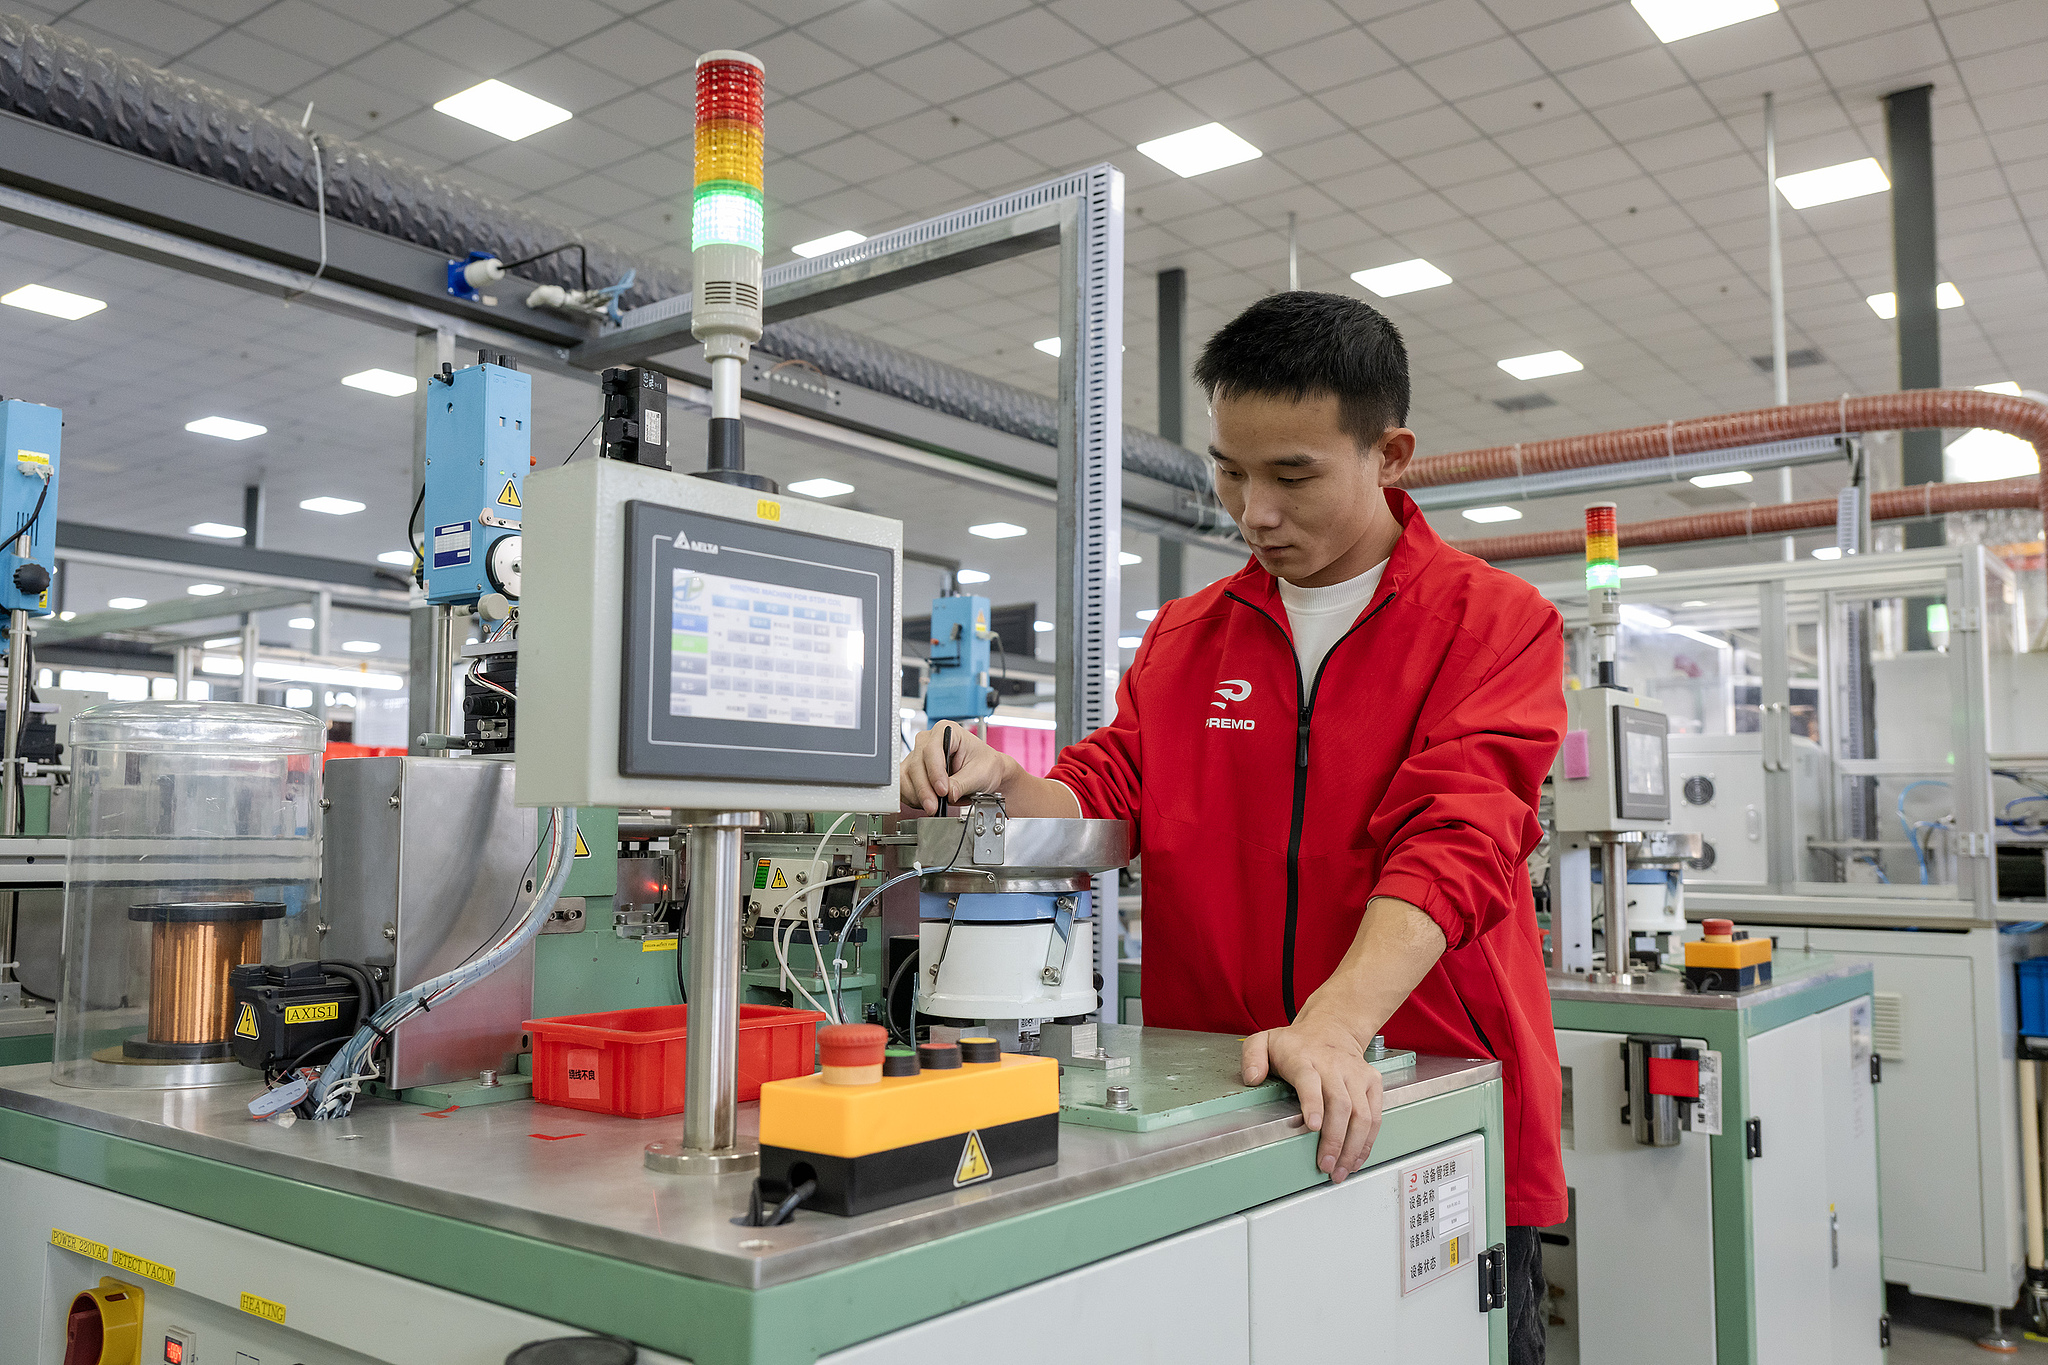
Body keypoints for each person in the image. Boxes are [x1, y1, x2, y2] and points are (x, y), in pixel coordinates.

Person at [901, 291, 1565, 1364]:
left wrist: (1338, 1026)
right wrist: (990, 784)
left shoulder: (1491, 624)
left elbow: (1459, 835)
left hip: (1418, 1096)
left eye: (1290, 474)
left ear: (1387, 453)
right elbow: (1103, 789)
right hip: (1212, 1106)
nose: (1251, 511)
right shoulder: (1185, 637)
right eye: (1227, 471)